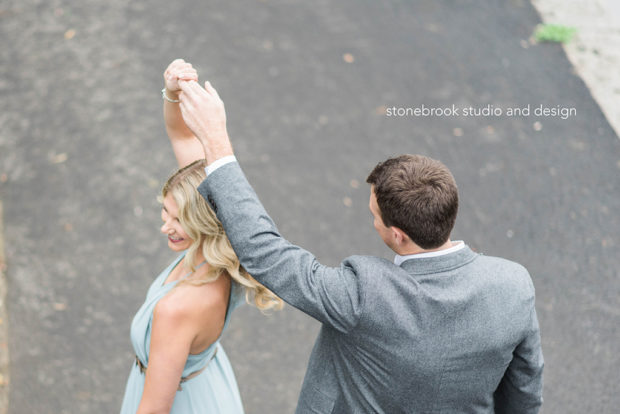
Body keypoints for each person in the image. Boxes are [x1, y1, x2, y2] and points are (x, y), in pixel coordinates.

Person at [175, 73, 544, 413]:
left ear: (397, 234)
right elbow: (525, 391)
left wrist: (216, 142)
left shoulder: (364, 295)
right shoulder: (513, 285)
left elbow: (265, 252)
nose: (372, 220)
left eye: (374, 216)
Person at [120, 59, 282, 414]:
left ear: (206, 221)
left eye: (179, 221)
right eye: (165, 212)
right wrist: (172, 91)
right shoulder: (225, 230)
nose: (166, 226)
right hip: (207, 383)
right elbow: (182, 135)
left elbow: (154, 409)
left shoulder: (178, 309)